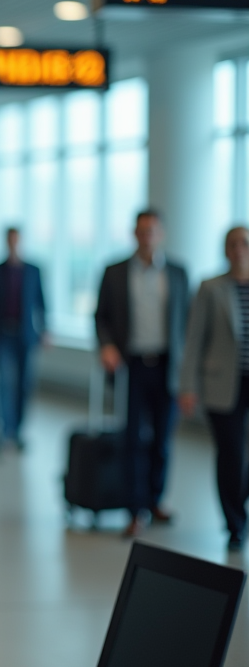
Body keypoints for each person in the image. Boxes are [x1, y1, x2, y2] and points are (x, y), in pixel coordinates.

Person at [95, 209, 190, 538]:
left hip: (167, 367)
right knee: (133, 438)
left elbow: (187, 323)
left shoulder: (178, 273)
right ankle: (135, 510)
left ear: (161, 233)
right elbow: (101, 317)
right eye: (141, 230)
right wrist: (106, 345)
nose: (147, 236)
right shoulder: (115, 271)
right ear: (134, 234)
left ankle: (155, 500)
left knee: (163, 440)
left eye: (152, 230)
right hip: (131, 366)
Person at [180, 226, 249, 553]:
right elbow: (194, 340)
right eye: (233, 244)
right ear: (225, 250)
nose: (239, 249)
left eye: (245, 243)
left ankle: (240, 503)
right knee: (231, 453)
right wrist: (187, 386)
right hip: (223, 383)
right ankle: (235, 523)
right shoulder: (210, 288)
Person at [0, 228, 46, 451]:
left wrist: (45, 330)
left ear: (21, 242)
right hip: (1, 334)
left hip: (25, 335)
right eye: (10, 240)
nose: (13, 244)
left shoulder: (33, 270)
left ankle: (17, 431)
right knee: (3, 383)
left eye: (17, 240)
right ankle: (4, 431)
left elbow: (42, 302)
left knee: (24, 383)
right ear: (6, 242)